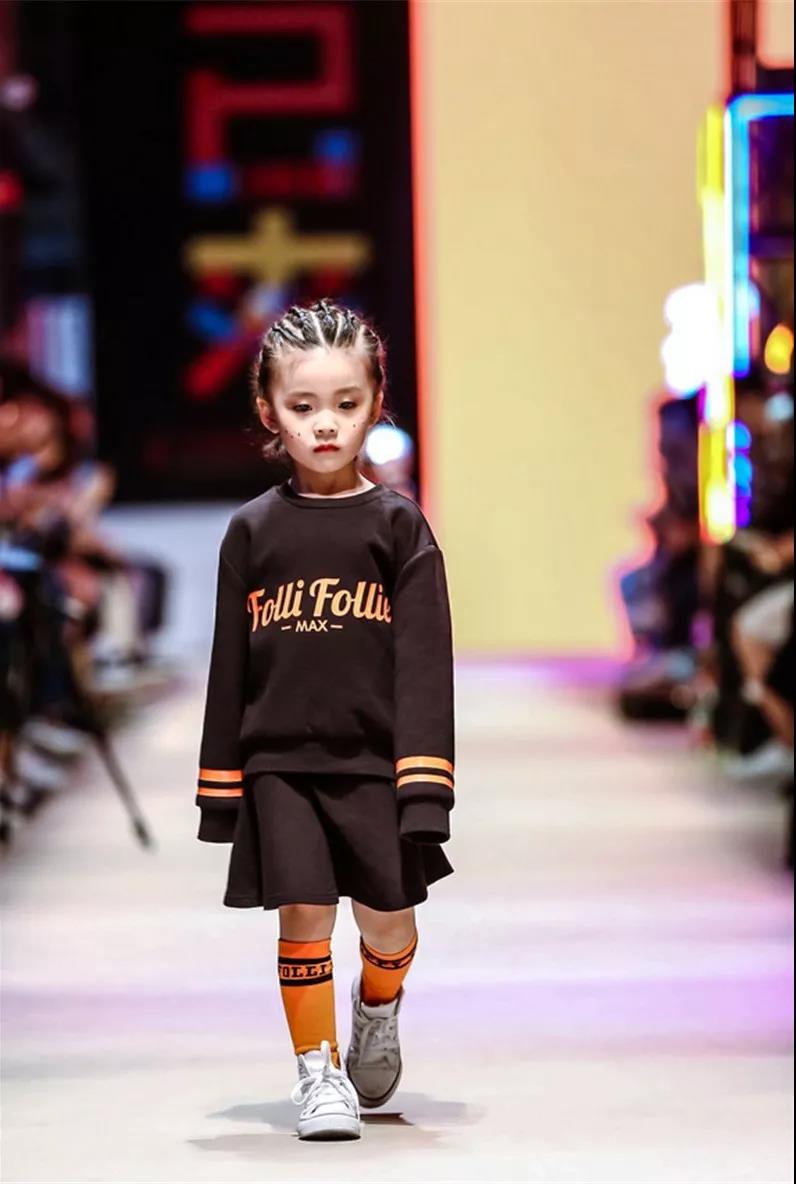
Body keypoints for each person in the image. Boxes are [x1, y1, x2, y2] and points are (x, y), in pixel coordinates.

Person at [195, 299, 456, 1141]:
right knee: (303, 911)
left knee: (389, 922)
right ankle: (319, 1070)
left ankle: (377, 1003)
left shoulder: (399, 526)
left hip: (375, 760)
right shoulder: (252, 531)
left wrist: (426, 784)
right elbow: (230, 666)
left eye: (346, 403)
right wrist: (221, 787)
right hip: (279, 761)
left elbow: (424, 664)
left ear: (377, 403)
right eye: (303, 405)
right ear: (268, 409)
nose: (325, 424)